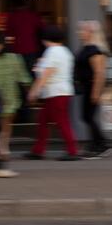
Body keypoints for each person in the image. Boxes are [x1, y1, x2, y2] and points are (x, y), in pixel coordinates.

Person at [25, 26, 79, 161]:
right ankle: (38, 150)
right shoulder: (65, 51)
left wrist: (34, 91)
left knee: (61, 122)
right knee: (43, 120)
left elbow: (46, 74)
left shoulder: (52, 51)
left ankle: (72, 151)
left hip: (56, 92)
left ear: (45, 39)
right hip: (60, 92)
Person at [0, 28, 32, 164]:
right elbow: (24, 78)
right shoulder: (15, 58)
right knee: (6, 126)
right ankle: (3, 148)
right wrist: (29, 91)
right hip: (10, 98)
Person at [75, 20, 111, 159]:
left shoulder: (95, 50)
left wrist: (95, 92)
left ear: (91, 33)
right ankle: (98, 143)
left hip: (92, 86)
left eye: (83, 30)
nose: (80, 32)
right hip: (86, 87)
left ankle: (100, 144)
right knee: (86, 116)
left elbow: (99, 73)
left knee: (87, 116)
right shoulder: (86, 48)